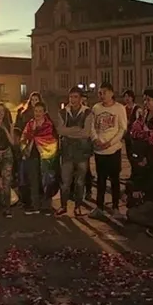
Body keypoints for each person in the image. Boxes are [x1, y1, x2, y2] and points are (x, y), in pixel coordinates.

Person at [89, 82, 127, 220]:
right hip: (99, 151)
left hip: (113, 150)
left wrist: (110, 143)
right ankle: (99, 207)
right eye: (100, 93)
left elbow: (122, 129)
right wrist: (95, 140)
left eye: (104, 92)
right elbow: (92, 126)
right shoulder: (96, 108)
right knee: (101, 180)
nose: (102, 95)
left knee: (115, 180)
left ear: (111, 93)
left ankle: (115, 207)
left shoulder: (119, 108)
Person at [54, 87, 93, 217]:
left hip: (82, 153)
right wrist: (77, 129)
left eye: (76, 97)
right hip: (67, 152)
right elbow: (60, 130)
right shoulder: (62, 112)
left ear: (81, 98)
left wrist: (69, 131)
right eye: (71, 97)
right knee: (65, 182)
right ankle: (63, 206)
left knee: (80, 182)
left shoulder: (88, 112)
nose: (73, 100)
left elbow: (86, 133)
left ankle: (78, 207)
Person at [20, 101, 59, 215]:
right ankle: (35, 205)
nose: (37, 113)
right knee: (33, 180)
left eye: (40, 111)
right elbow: (23, 138)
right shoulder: (29, 124)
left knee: (47, 181)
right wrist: (26, 146)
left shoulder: (49, 125)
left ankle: (46, 206)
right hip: (32, 156)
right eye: (36, 111)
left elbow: (52, 141)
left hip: (46, 157)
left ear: (44, 112)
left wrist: (39, 141)